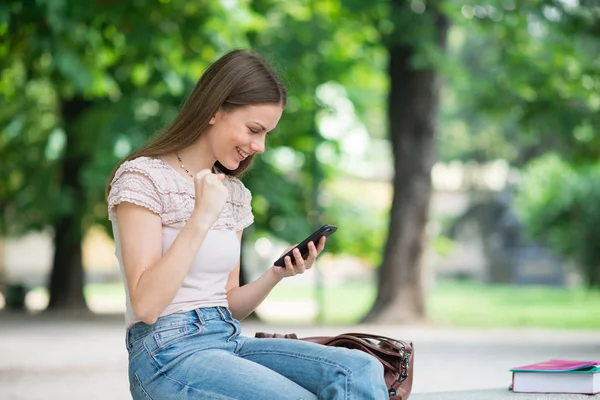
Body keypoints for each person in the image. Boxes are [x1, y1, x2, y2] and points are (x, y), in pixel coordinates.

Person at [106, 49, 388, 400]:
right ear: (214, 110)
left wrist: (277, 274)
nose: (260, 146)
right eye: (254, 130)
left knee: (360, 369)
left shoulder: (234, 192)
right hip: (166, 353)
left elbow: (228, 302)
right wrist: (201, 217)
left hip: (227, 338)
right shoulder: (142, 177)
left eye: (267, 133)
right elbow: (146, 306)